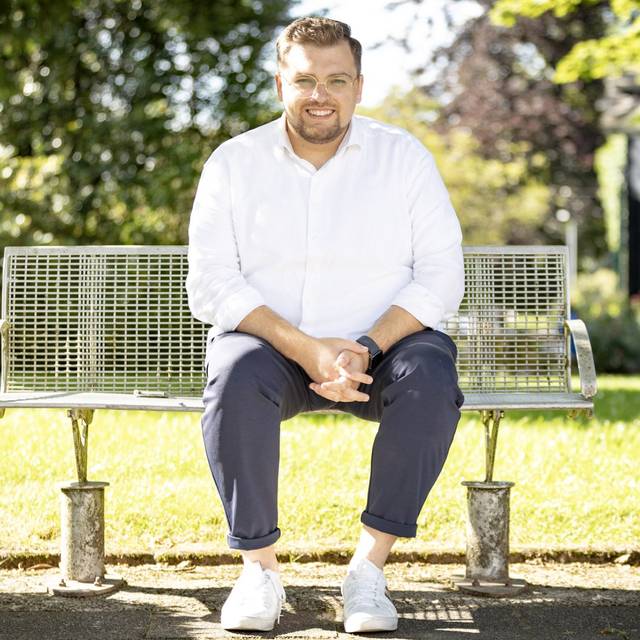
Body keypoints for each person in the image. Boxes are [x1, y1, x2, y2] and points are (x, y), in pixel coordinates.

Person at [186, 16, 465, 634]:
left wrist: (365, 346)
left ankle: (368, 571)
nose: (321, 95)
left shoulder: (403, 158)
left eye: (337, 80)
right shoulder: (234, 163)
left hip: (384, 351)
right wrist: (306, 348)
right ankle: (259, 571)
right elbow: (211, 282)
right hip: (274, 351)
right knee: (233, 370)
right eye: (305, 80)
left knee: (429, 374)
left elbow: (442, 274)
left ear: (359, 86)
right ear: (280, 83)